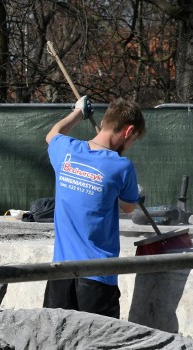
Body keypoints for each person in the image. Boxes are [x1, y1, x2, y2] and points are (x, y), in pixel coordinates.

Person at [43, 97, 146, 318]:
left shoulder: (65, 150)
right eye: (133, 139)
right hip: (99, 278)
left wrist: (78, 112)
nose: (130, 145)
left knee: (56, 342)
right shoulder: (121, 166)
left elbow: (52, 134)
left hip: (60, 275)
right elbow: (129, 207)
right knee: (100, 348)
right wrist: (136, 193)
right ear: (128, 131)